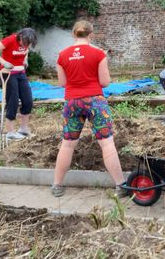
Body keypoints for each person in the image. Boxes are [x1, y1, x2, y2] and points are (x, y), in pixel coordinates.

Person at [52, 20, 125, 198]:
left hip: (72, 102)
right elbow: (105, 82)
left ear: (73, 34)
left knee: (68, 144)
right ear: (91, 34)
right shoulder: (98, 54)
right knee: (107, 143)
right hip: (95, 102)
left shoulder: (62, 55)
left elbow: (62, 83)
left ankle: (57, 185)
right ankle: (121, 185)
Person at [0, 27, 37, 141]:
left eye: (28, 43)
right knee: (13, 101)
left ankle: (23, 129)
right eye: (24, 42)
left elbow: (26, 51)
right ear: (20, 36)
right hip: (8, 74)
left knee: (28, 100)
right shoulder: (10, 40)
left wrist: (25, 59)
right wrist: (4, 62)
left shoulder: (26, 43)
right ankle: (10, 132)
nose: (26, 45)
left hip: (21, 73)